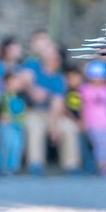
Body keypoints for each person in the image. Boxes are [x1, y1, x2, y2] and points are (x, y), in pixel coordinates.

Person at [23, 44, 81, 175]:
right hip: (33, 110)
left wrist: (54, 127)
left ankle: (71, 164)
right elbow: (24, 78)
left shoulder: (59, 79)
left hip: (52, 113)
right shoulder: (33, 65)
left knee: (69, 128)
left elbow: (58, 103)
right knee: (35, 128)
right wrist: (33, 90)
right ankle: (35, 164)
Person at [0, 72, 27, 176]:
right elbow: (1, 111)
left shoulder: (23, 96)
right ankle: (2, 167)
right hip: (7, 125)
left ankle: (14, 167)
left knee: (17, 145)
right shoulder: (4, 96)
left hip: (18, 125)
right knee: (6, 144)